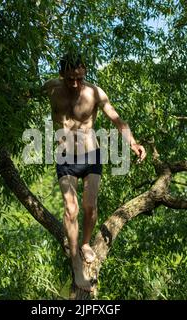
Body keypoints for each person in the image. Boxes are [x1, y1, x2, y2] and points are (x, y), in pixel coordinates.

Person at [42, 53, 146, 291]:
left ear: (85, 72)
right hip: (65, 157)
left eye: (79, 77)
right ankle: (76, 264)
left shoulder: (95, 93)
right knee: (71, 210)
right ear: (62, 75)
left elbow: (117, 120)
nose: (75, 83)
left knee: (90, 208)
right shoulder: (51, 89)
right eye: (70, 79)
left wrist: (133, 143)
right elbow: (24, 96)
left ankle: (86, 243)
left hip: (92, 157)